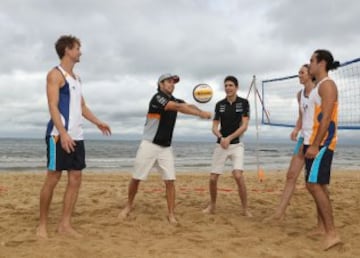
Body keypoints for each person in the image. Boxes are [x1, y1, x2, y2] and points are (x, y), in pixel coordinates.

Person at [37, 35, 111, 238]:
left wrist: (98, 122)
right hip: (58, 136)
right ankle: (42, 224)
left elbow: (82, 106)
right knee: (53, 178)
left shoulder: (77, 78)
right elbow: (52, 105)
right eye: (78, 48)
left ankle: (65, 225)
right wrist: (63, 133)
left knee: (76, 178)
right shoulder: (55, 74)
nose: (80, 52)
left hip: (77, 136)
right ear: (68, 50)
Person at [119, 73, 212, 224]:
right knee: (136, 178)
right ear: (161, 84)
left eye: (173, 82)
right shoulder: (158, 98)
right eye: (169, 82)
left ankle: (171, 214)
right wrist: (200, 114)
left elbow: (186, 105)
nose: (172, 84)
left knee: (170, 181)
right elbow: (177, 107)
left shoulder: (175, 99)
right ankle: (128, 206)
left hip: (165, 148)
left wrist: (199, 110)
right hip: (149, 144)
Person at [266, 64, 315, 221]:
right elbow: (302, 116)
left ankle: (323, 220)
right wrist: (296, 129)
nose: (299, 75)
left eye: (302, 72)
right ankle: (279, 213)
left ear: (310, 74)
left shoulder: (320, 91)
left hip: (316, 140)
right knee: (291, 175)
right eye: (298, 72)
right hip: (303, 138)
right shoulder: (300, 94)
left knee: (314, 185)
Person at [305, 49, 341, 250]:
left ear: (322, 63)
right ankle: (321, 227)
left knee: (314, 185)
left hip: (323, 144)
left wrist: (316, 145)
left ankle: (332, 233)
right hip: (316, 141)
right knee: (317, 185)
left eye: (312, 60)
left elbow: (327, 118)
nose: (309, 64)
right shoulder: (319, 86)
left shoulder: (327, 85)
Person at [202, 75, 251, 216]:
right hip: (222, 144)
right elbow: (214, 127)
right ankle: (212, 206)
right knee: (212, 178)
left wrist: (229, 138)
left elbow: (245, 126)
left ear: (236, 87)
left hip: (236, 145)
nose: (228, 88)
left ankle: (245, 208)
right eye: (226, 85)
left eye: (231, 85)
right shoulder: (219, 104)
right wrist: (221, 137)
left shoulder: (244, 103)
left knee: (237, 175)